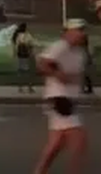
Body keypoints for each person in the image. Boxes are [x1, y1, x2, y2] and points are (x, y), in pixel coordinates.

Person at [32, 19, 90, 174]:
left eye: (83, 30)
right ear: (68, 32)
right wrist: (57, 74)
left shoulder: (80, 52)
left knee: (56, 144)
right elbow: (42, 63)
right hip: (58, 98)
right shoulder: (60, 46)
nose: (82, 33)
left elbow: (78, 75)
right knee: (79, 140)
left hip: (69, 99)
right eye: (78, 30)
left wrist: (76, 81)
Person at [11, 22, 36, 93]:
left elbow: (15, 46)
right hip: (26, 55)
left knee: (20, 72)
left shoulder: (17, 36)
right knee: (28, 72)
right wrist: (32, 54)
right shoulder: (27, 35)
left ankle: (20, 87)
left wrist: (14, 54)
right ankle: (29, 88)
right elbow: (31, 45)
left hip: (19, 55)